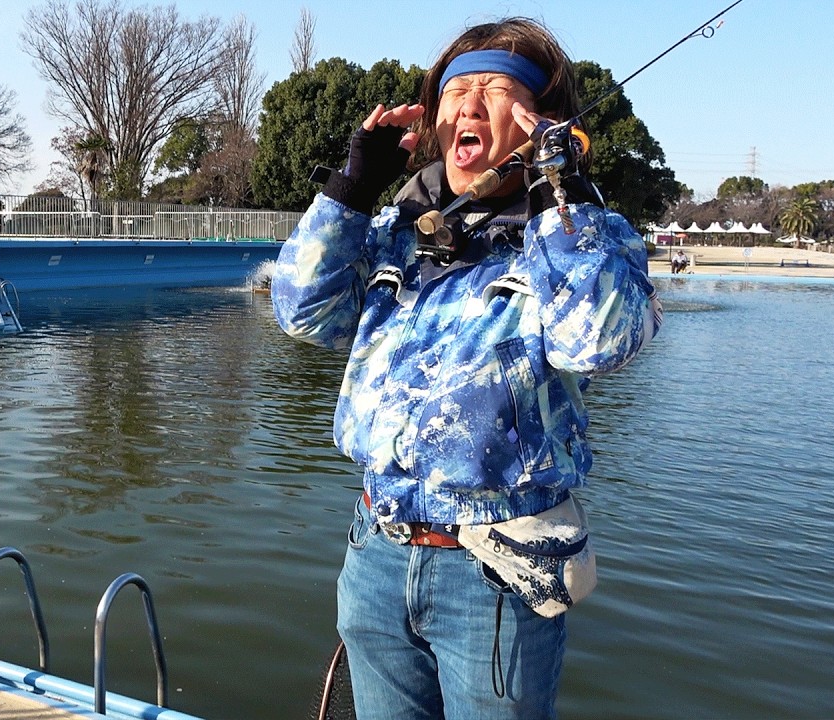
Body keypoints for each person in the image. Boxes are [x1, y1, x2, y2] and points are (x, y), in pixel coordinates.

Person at [270, 17, 661, 720]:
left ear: (544, 122)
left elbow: (600, 338)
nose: (469, 107)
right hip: (376, 554)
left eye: (497, 93)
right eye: (456, 92)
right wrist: (352, 190)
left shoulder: (585, 240)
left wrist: (556, 181)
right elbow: (303, 311)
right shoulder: (395, 231)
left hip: (497, 573)